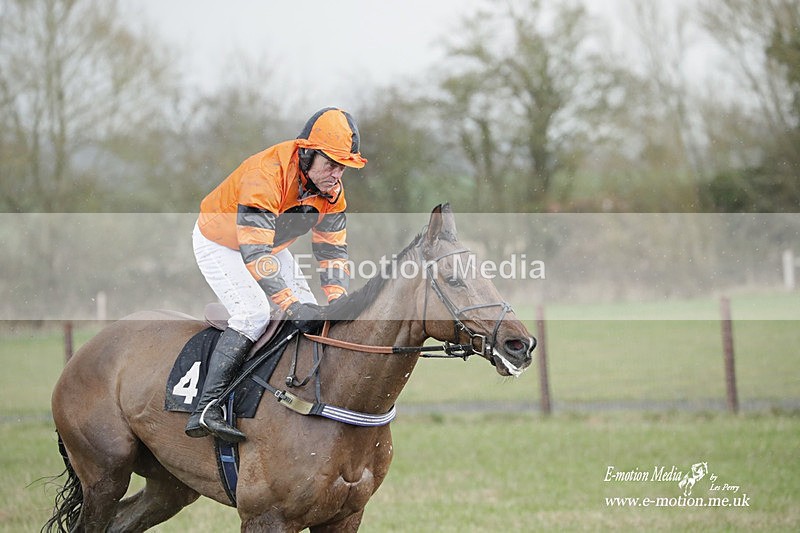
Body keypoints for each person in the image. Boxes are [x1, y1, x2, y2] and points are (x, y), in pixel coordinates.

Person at [185, 107, 367, 442]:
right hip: (221, 241)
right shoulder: (266, 174)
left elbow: (332, 251)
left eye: (343, 166)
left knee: (311, 310)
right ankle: (207, 408)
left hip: (268, 243)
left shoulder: (331, 193)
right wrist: (287, 303)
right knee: (253, 313)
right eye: (331, 164)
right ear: (307, 154)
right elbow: (253, 253)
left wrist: (337, 300)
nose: (337, 174)